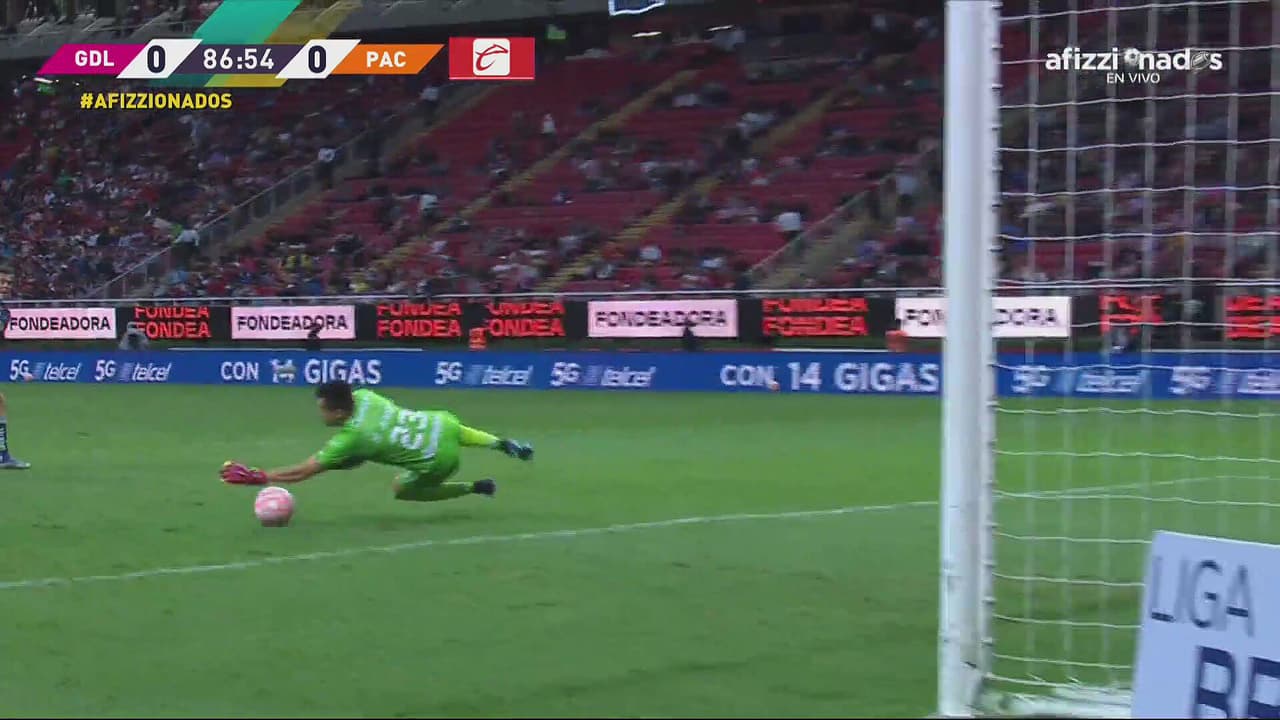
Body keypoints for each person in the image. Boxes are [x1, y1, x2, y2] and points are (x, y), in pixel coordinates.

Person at [220, 382, 533, 501]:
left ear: (338, 412)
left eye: (323, 410)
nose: (321, 414)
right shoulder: (366, 396)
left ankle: (475, 487)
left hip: (439, 461)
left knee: (402, 488)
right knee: (449, 426)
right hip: (440, 422)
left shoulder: (352, 437)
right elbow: (358, 456)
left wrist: (261, 476)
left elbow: (303, 471)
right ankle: (501, 444)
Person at [0, 268, 31, 469]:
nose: (5, 286)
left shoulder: (4, 312)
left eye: (8, 283)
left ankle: (3, 455)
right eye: (1, 282)